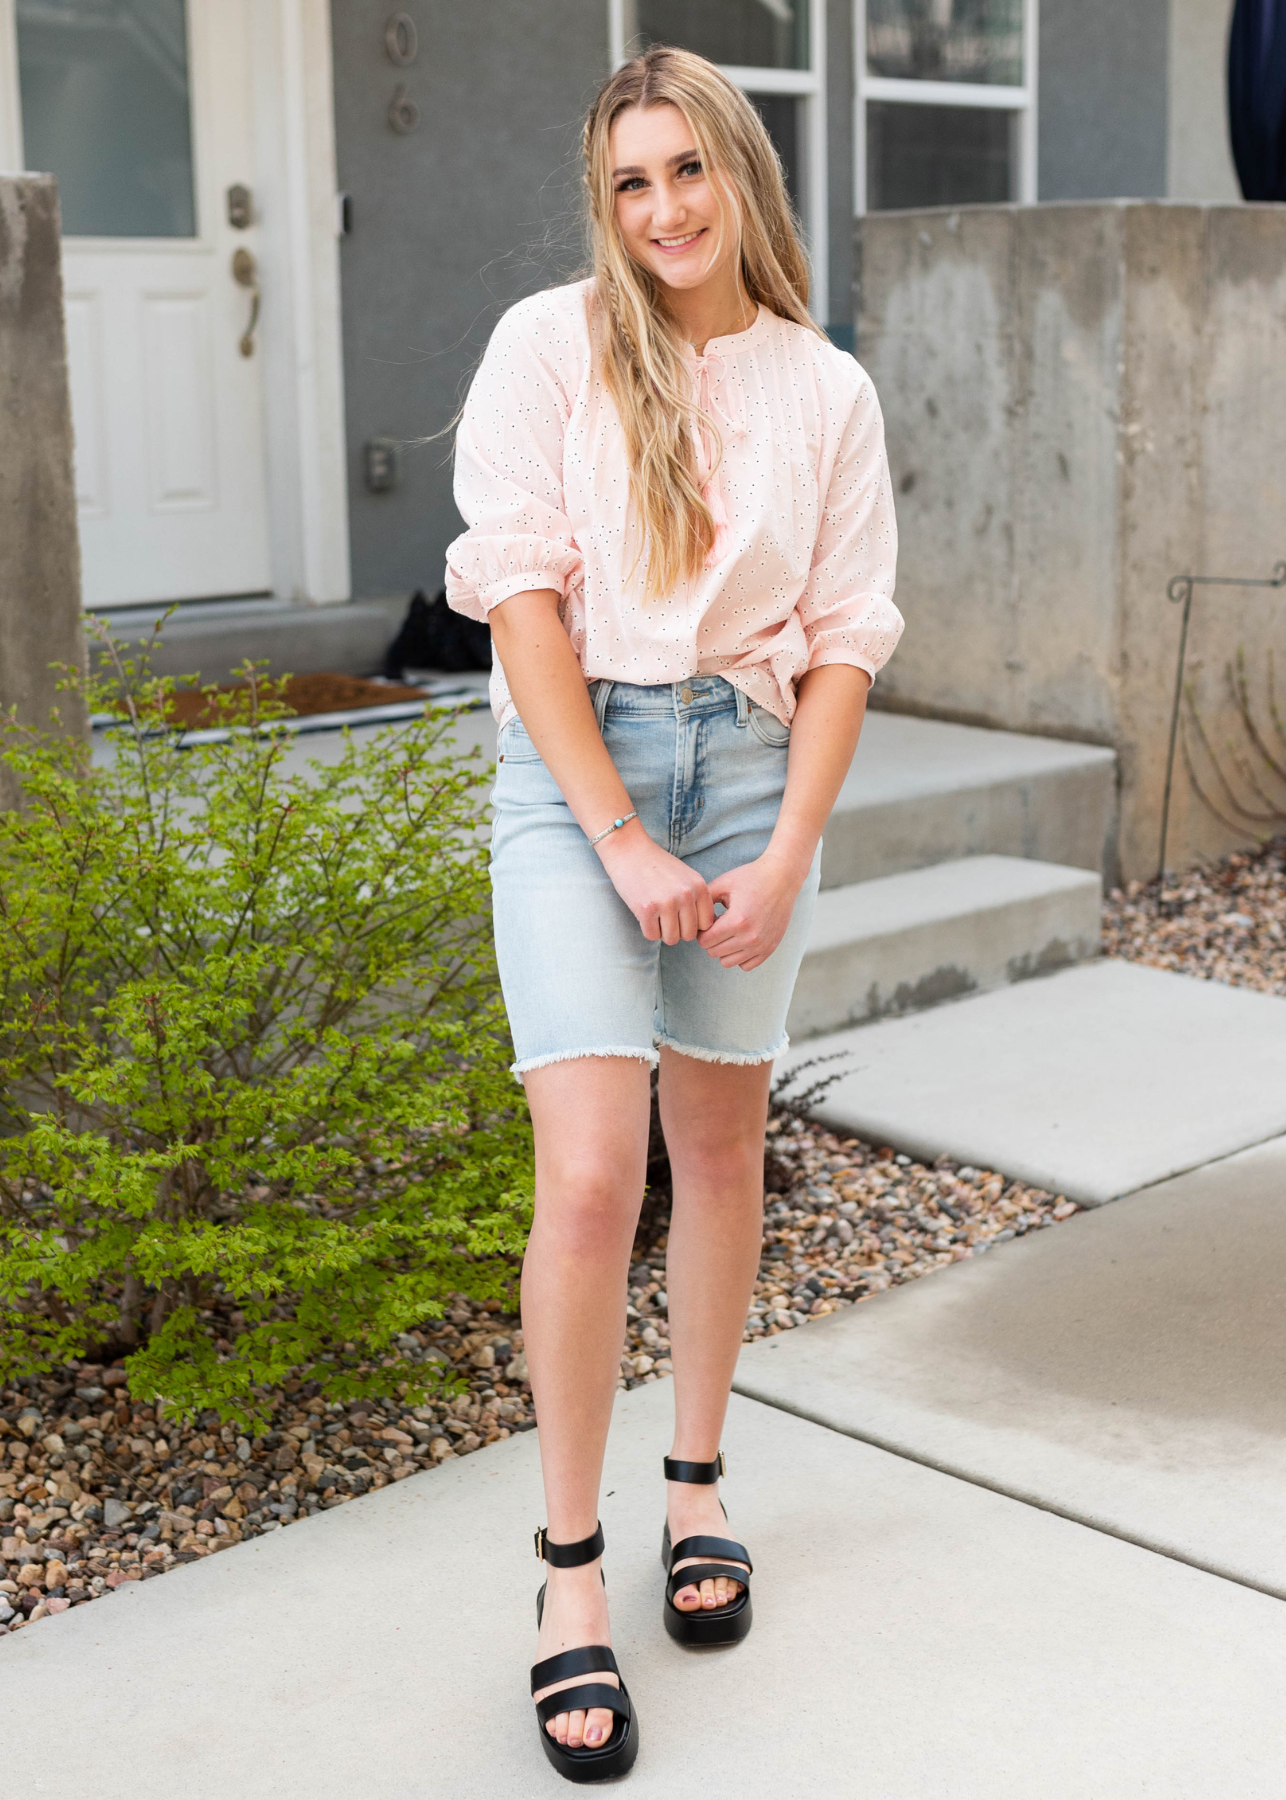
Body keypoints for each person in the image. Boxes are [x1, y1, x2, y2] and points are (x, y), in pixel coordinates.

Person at [445, 43, 902, 1782]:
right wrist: (621, 832)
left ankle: (695, 1485)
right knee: (589, 1169)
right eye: (629, 183)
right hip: (582, 779)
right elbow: (522, 606)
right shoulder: (546, 346)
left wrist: (783, 846)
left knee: (720, 1154)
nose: (662, 212)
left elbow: (849, 632)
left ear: (740, 174)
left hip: (752, 764)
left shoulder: (822, 388)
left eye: (687, 173)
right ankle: (569, 1583)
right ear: (603, 198)